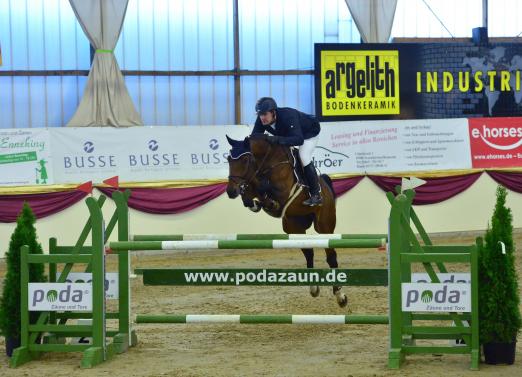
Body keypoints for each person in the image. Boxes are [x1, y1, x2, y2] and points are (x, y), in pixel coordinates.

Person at [251, 97, 322, 206]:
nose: (262, 118)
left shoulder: (288, 116)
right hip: (289, 134)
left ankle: (316, 194)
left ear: (273, 112)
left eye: (265, 114)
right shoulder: (261, 120)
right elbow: (254, 139)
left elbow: (298, 139)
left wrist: (277, 139)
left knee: (303, 156)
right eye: (260, 115)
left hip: (308, 133)